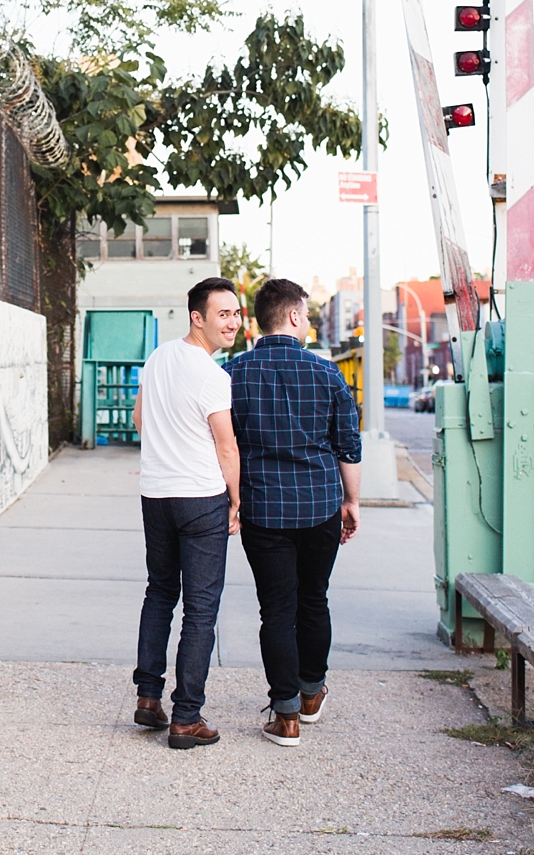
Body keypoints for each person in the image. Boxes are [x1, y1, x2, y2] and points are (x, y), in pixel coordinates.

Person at [226, 277, 361, 749]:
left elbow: (223, 446)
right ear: (295, 316)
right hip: (320, 505)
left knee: (277, 609)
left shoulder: (232, 373)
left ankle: (284, 716)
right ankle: (311, 694)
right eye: (307, 313)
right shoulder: (326, 374)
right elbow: (348, 446)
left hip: (262, 508)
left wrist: (231, 500)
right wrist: (351, 501)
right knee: (314, 599)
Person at [131, 277, 242, 750]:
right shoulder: (213, 377)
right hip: (200, 499)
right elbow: (226, 446)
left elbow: (139, 419)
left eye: (237, 313)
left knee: (160, 592)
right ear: (198, 317)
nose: (233, 322)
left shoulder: (157, 360)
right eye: (223, 314)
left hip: (155, 495)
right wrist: (236, 500)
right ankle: (187, 717)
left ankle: (149, 698)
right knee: (201, 608)